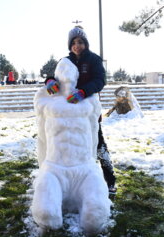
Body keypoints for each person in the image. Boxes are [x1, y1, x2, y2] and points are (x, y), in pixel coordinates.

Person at [44, 26, 117, 194]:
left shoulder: (93, 60)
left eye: (81, 42)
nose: (77, 46)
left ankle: (110, 179)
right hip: (69, 112)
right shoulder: (65, 60)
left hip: (88, 112)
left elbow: (100, 81)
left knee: (98, 144)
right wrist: (49, 81)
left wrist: (83, 91)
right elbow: (55, 75)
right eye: (74, 43)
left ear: (86, 43)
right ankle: (73, 182)